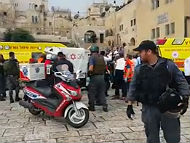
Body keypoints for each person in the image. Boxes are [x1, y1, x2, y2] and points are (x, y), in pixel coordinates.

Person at [126, 40, 190, 143]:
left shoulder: (169, 65)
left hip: (168, 107)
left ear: (149, 52)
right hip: (149, 108)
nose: (139, 54)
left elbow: (181, 81)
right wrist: (129, 105)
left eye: (141, 52)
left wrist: (185, 98)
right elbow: (132, 87)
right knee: (152, 138)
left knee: (172, 137)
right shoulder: (139, 69)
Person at [88, 45, 108, 112]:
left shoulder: (92, 57)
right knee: (102, 92)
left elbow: (91, 67)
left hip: (94, 77)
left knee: (91, 92)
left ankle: (92, 106)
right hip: (102, 76)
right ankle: (104, 105)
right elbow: (105, 67)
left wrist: (89, 73)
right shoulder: (102, 57)